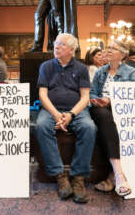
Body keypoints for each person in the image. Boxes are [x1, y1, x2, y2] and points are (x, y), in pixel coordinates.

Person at [36, 33, 96, 204]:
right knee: (41, 126)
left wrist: (71, 115)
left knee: (89, 128)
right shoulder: (46, 66)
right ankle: (59, 176)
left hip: (75, 110)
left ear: (71, 49)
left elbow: (85, 97)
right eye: (56, 43)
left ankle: (78, 178)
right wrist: (56, 114)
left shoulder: (81, 68)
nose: (56, 46)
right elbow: (42, 94)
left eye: (61, 44)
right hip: (50, 109)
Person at [89, 40, 135, 197]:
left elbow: (132, 96)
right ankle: (118, 174)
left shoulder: (130, 72)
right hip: (100, 110)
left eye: (113, 49)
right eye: (107, 48)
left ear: (123, 54)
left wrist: (112, 100)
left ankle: (113, 175)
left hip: (121, 110)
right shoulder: (100, 71)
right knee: (104, 116)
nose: (108, 51)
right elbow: (92, 93)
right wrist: (97, 100)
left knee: (110, 123)